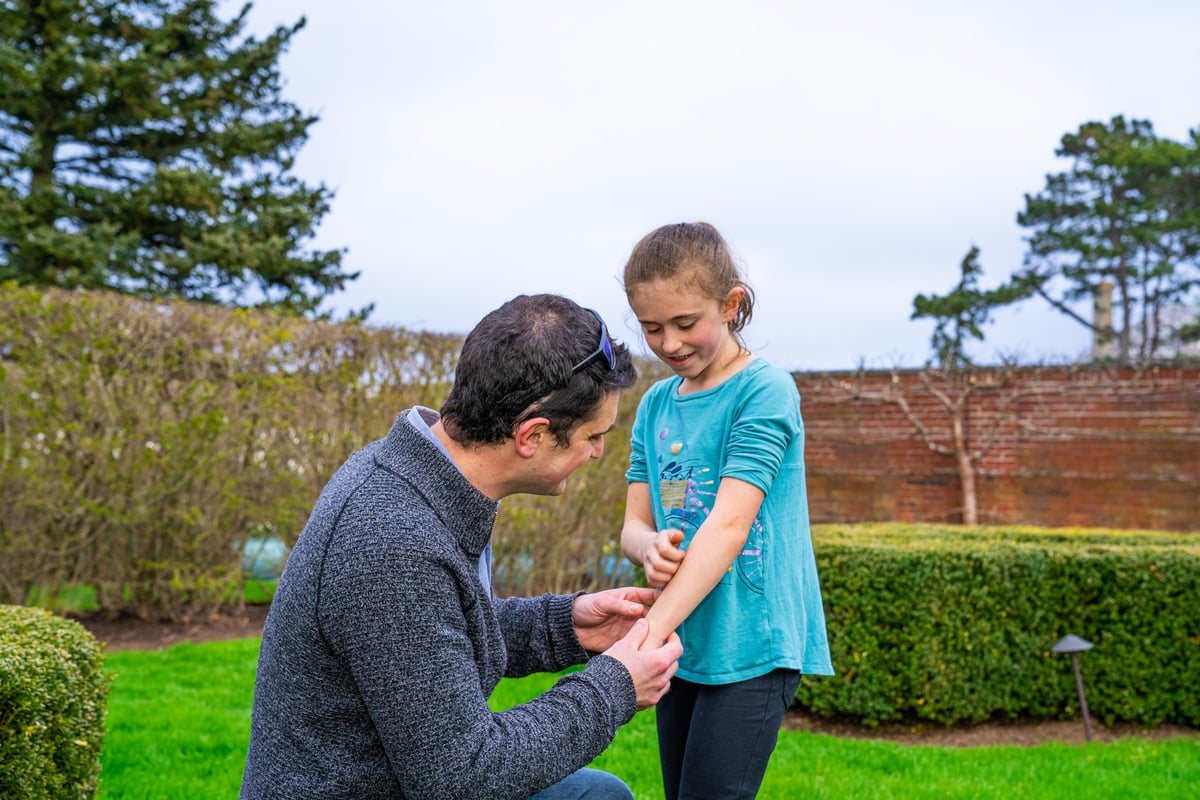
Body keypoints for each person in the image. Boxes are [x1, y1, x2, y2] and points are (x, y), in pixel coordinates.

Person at [240, 294, 683, 800]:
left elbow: (433, 635)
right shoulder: (392, 540)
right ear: (533, 435)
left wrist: (566, 625)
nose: (599, 451)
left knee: (597, 795)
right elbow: (464, 778)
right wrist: (614, 688)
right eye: (592, 435)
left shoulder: (419, 478)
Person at [618, 222, 834, 800]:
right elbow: (634, 525)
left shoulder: (764, 391)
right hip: (684, 645)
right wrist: (649, 547)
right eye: (652, 328)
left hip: (753, 646)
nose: (668, 343)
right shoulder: (655, 405)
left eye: (686, 323)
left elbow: (730, 525)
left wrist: (646, 634)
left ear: (732, 305)